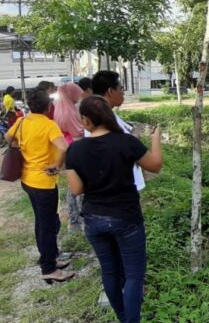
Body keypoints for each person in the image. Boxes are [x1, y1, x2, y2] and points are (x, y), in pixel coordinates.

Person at [65, 96, 163, 323]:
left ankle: (122, 317)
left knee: (109, 272)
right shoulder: (126, 142)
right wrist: (156, 139)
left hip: (94, 220)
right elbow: (155, 165)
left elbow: (76, 189)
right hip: (126, 218)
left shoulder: (74, 150)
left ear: (86, 121)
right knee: (134, 276)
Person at [4, 90, 73, 283]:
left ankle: (48, 258)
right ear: (48, 107)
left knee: (41, 223)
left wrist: (24, 148)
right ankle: (49, 268)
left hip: (27, 179)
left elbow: (9, 139)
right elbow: (64, 147)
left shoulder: (22, 121)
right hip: (44, 182)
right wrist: (56, 166)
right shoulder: (49, 125)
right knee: (48, 225)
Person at [90, 71, 146, 192]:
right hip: (119, 191)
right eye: (120, 88)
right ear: (110, 91)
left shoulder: (106, 115)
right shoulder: (100, 119)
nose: (123, 92)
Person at [54, 82, 86, 230]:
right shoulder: (68, 112)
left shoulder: (59, 107)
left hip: (67, 151)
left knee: (72, 186)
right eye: (76, 94)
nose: (77, 98)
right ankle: (78, 219)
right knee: (78, 187)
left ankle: (74, 220)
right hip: (73, 150)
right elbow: (78, 133)